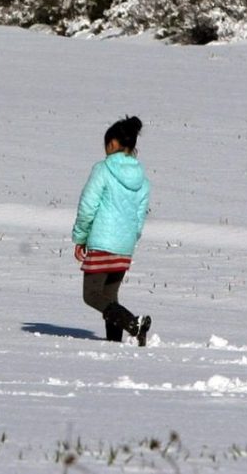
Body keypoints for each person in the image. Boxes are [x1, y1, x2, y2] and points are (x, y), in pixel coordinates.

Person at [71, 115, 152, 345]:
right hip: (124, 248)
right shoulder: (143, 180)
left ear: (113, 144)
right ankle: (114, 344)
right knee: (110, 297)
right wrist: (129, 241)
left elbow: (88, 206)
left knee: (92, 295)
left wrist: (81, 237)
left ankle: (132, 324)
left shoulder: (103, 170)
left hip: (102, 243)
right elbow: (139, 218)